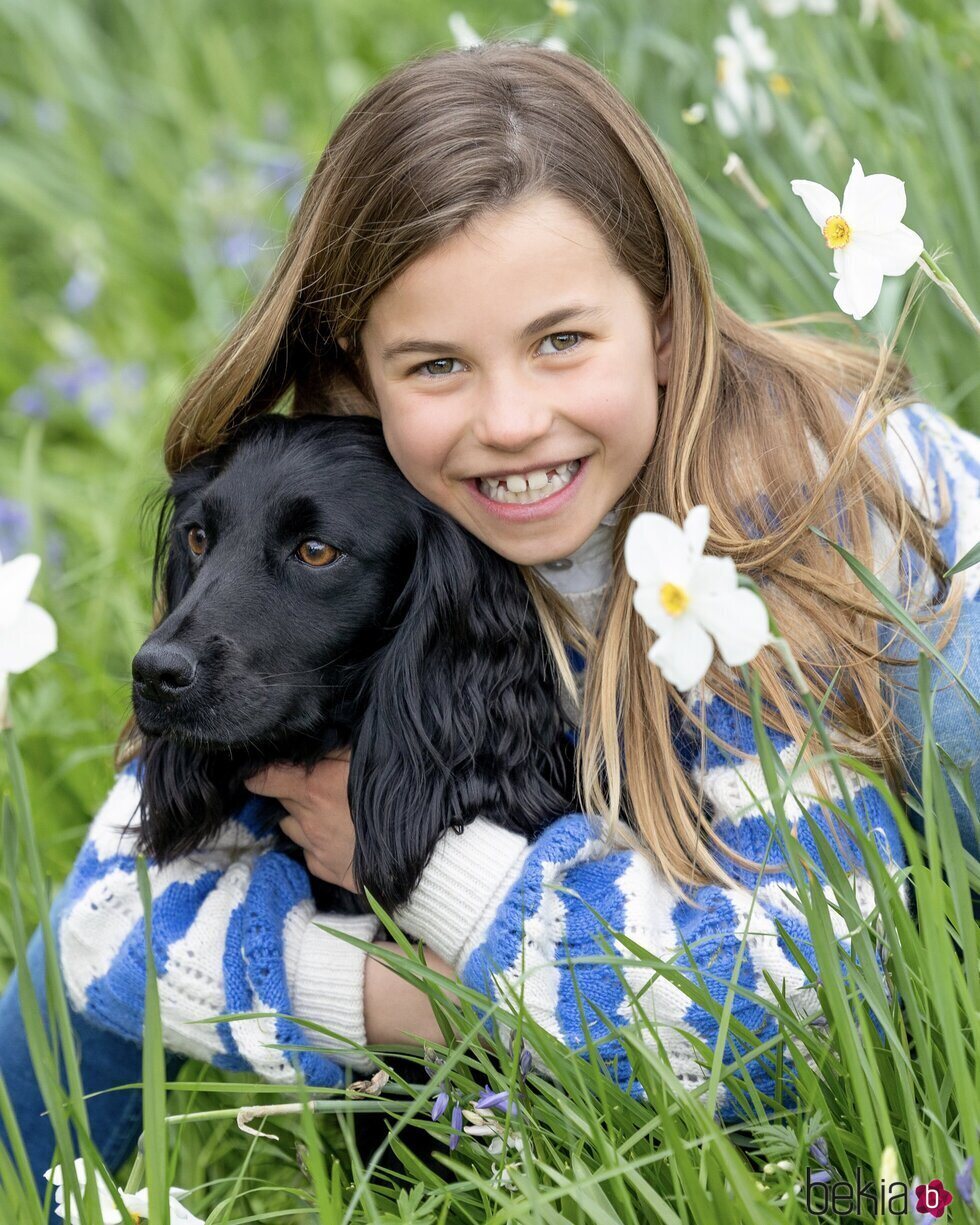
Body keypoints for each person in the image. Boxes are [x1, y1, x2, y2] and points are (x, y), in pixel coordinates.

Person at [2, 40, 978, 1206]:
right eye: (436, 364)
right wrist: (395, 990)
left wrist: (430, 910)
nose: (511, 421)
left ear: (662, 326)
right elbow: (105, 934)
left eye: (560, 339)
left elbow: (771, 1014)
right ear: (356, 374)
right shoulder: (382, 507)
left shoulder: (794, 519)